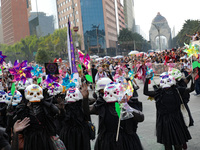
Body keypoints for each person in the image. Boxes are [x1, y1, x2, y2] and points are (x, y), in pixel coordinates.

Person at [144, 74, 194, 150]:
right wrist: (147, 80)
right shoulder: (159, 92)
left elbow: (190, 89)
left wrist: (193, 80)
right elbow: (146, 92)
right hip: (165, 121)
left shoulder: (177, 90)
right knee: (167, 145)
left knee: (178, 143)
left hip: (176, 119)